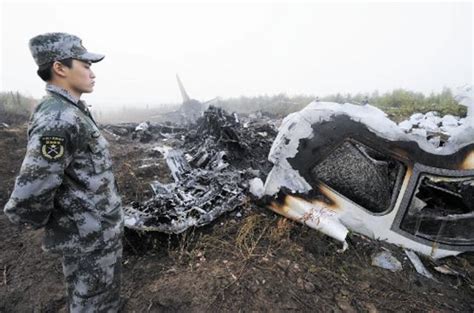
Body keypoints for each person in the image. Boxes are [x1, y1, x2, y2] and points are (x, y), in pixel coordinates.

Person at [3, 32, 124, 312]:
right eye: (85, 65)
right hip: (88, 240)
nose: (92, 73)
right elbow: (33, 188)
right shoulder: (59, 117)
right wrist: (58, 224)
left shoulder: (70, 110)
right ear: (60, 68)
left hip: (95, 235)